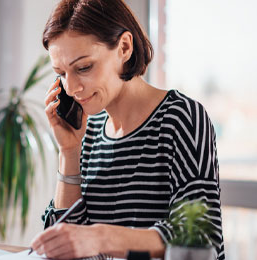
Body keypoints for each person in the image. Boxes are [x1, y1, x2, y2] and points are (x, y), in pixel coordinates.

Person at [29, 0, 224, 259]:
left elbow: (199, 235)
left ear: (124, 47)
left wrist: (101, 236)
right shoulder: (89, 130)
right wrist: (69, 152)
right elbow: (65, 245)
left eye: (84, 67)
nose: (72, 88)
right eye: (61, 73)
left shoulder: (181, 118)